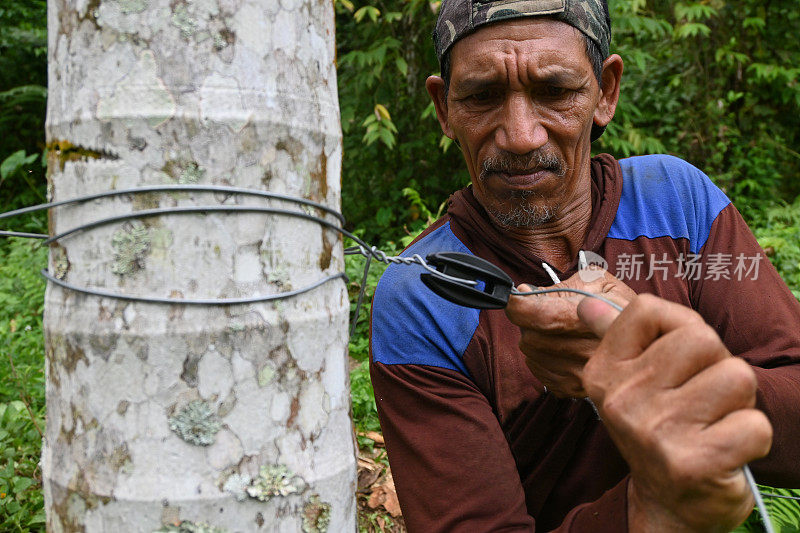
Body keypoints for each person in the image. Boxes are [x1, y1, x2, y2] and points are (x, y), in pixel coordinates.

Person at [369, 0, 800, 531]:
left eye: (555, 92)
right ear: (444, 108)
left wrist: (681, 377)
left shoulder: (679, 204)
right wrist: (643, 512)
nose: (521, 136)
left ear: (606, 91)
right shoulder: (423, 294)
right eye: (482, 97)